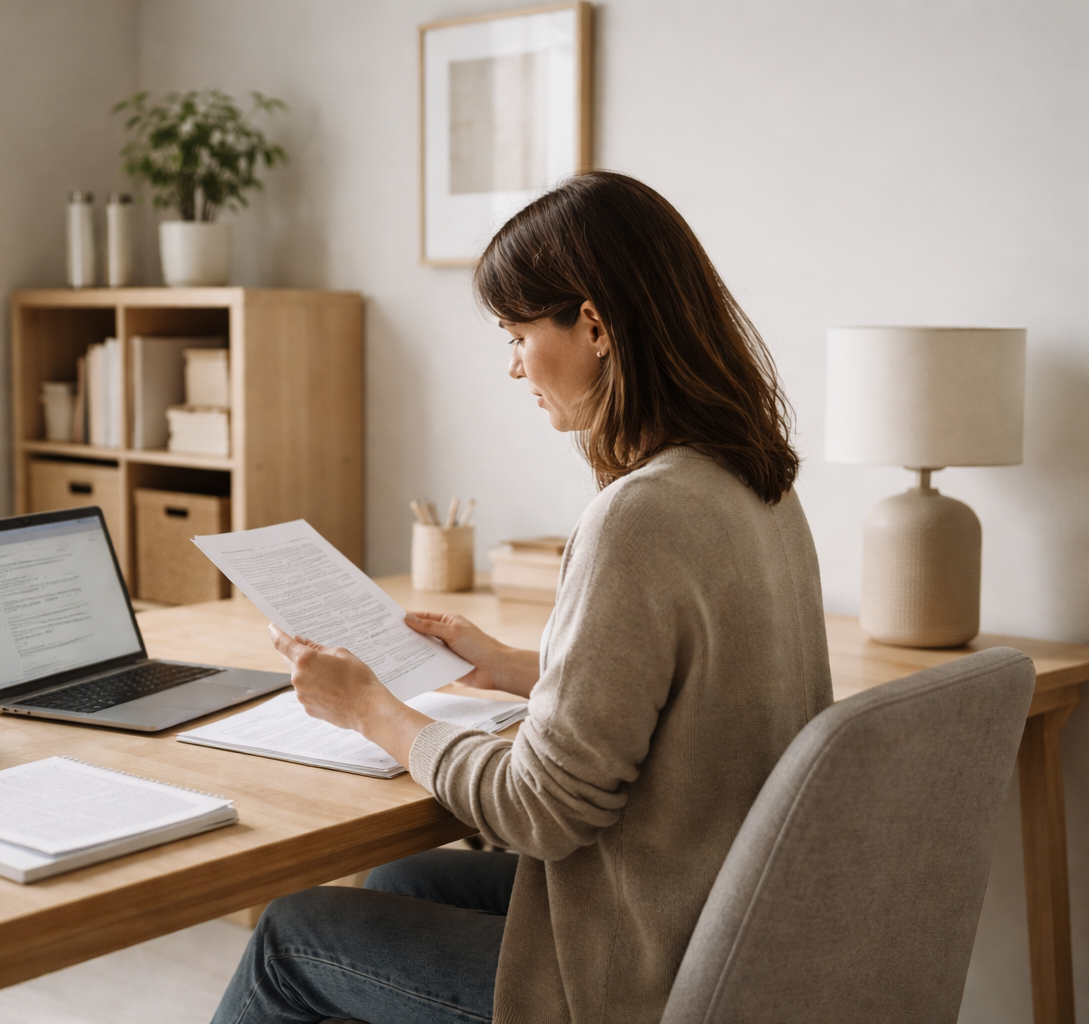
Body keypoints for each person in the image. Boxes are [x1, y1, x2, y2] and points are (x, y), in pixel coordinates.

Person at [210, 171, 834, 1024]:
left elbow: (543, 811)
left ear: (596, 324)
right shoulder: (755, 481)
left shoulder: (639, 515)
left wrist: (372, 711)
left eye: (516, 334)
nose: (512, 367)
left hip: (641, 974)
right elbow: (697, 698)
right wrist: (517, 669)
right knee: (405, 880)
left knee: (292, 935)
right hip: (724, 916)